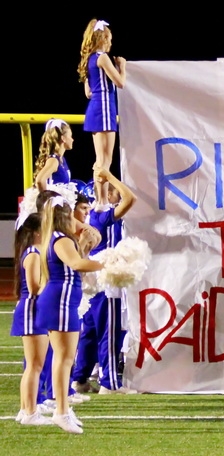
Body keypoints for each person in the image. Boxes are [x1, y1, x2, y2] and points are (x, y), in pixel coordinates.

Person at [36, 195, 104, 434]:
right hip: (60, 302)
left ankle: (63, 408)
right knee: (64, 359)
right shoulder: (61, 239)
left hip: (63, 300)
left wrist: (85, 246)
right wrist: (108, 262)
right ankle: (61, 411)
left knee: (64, 358)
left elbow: (77, 262)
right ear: (64, 216)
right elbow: (77, 265)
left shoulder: (55, 238)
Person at [72, 168, 137, 394]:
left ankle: (79, 379)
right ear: (107, 195)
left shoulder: (88, 216)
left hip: (91, 281)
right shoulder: (101, 215)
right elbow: (130, 198)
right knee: (109, 332)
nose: (117, 195)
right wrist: (110, 177)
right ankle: (109, 383)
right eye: (114, 192)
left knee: (89, 332)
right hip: (106, 278)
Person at [11, 214, 52, 426]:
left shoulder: (34, 252)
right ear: (37, 232)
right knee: (34, 365)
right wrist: (54, 284)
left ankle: (25, 409)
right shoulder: (34, 254)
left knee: (34, 365)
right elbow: (35, 287)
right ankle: (29, 413)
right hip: (32, 309)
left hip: (34, 309)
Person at [78, 19, 125, 200]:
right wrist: (123, 67)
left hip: (95, 108)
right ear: (102, 38)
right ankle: (102, 201)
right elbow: (120, 82)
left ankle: (100, 200)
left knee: (100, 160)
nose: (110, 43)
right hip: (104, 109)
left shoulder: (89, 59)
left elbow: (88, 92)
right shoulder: (102, 57)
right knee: (105, 161)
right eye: (109, 39)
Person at [33, 119, 73, 191]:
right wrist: (47, 199)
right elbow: (39, 180)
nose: (72, 139)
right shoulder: (54, 160)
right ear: (63, 138)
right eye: (70, 136)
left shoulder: (62, 159)